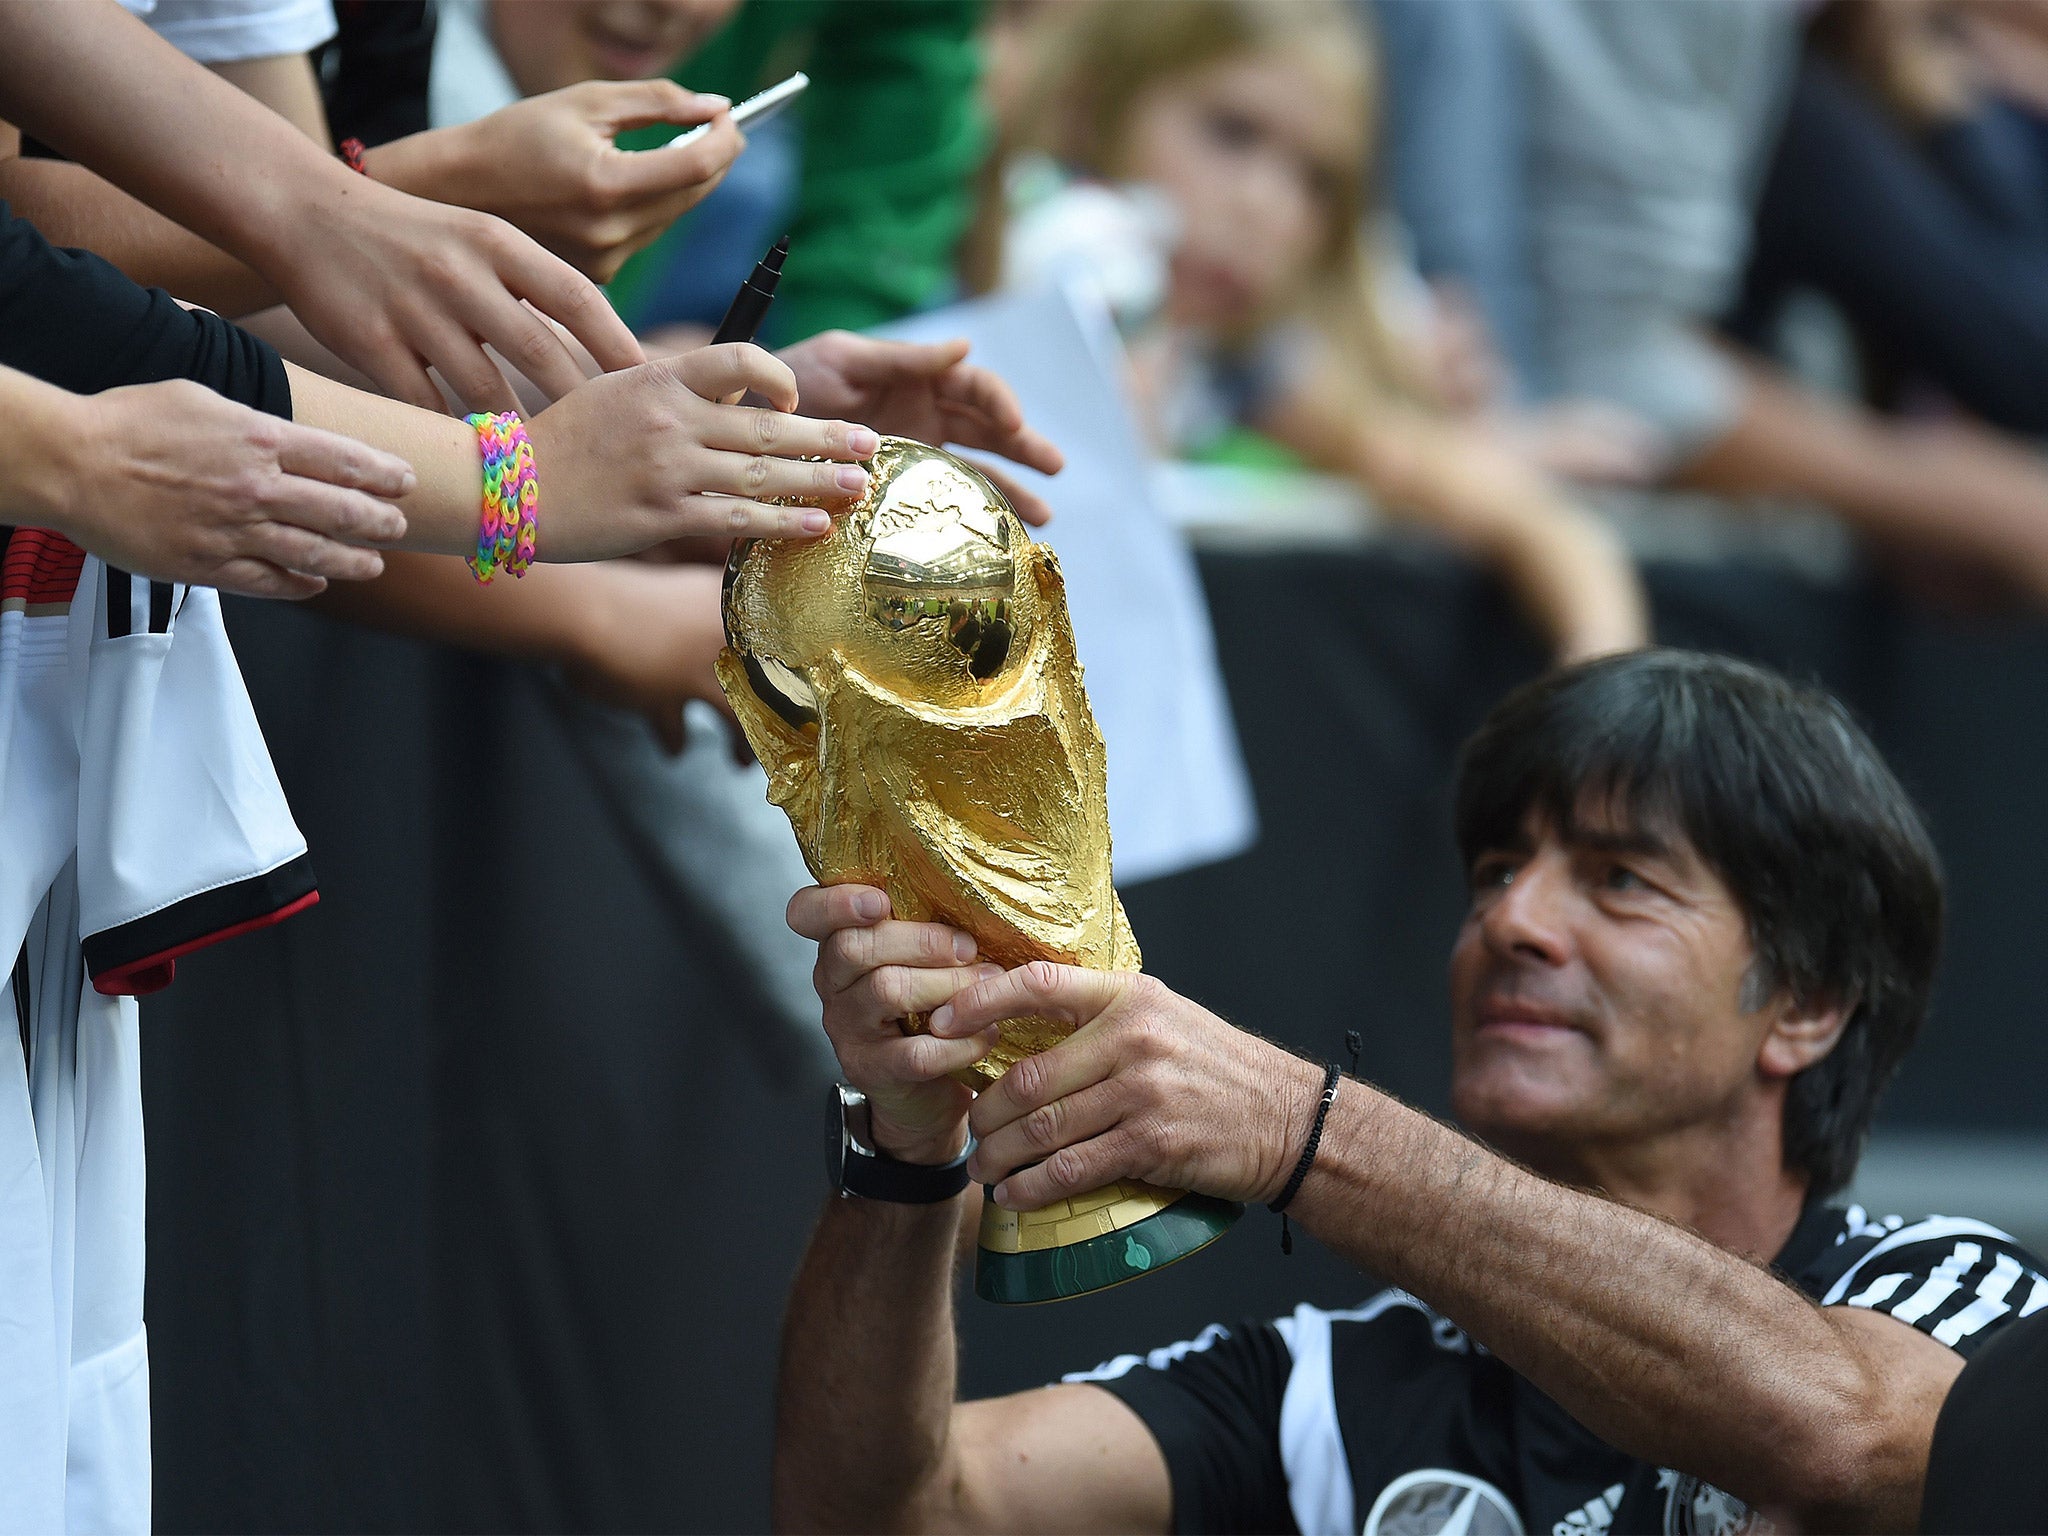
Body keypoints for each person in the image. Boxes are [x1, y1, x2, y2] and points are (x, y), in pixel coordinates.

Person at [777, 649, 2048, 1534]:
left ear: (1807, 1003)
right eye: (1495, 872)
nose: (1512, 921)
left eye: (1618, 881)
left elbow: (1855, 1447)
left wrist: (1299, 1128)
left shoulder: (1944, 1294)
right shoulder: (1326, 1395)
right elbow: (884, 1515)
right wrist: (909, 1144)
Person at [983, 0, 1647, 663]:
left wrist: (1601, 673)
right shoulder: (1061, 243)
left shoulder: (1233, 355)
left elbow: (1534, 521)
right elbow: (1102, 497)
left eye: (1318, 181)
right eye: (1233, 131)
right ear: (1094, 106)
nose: (1266, 206)